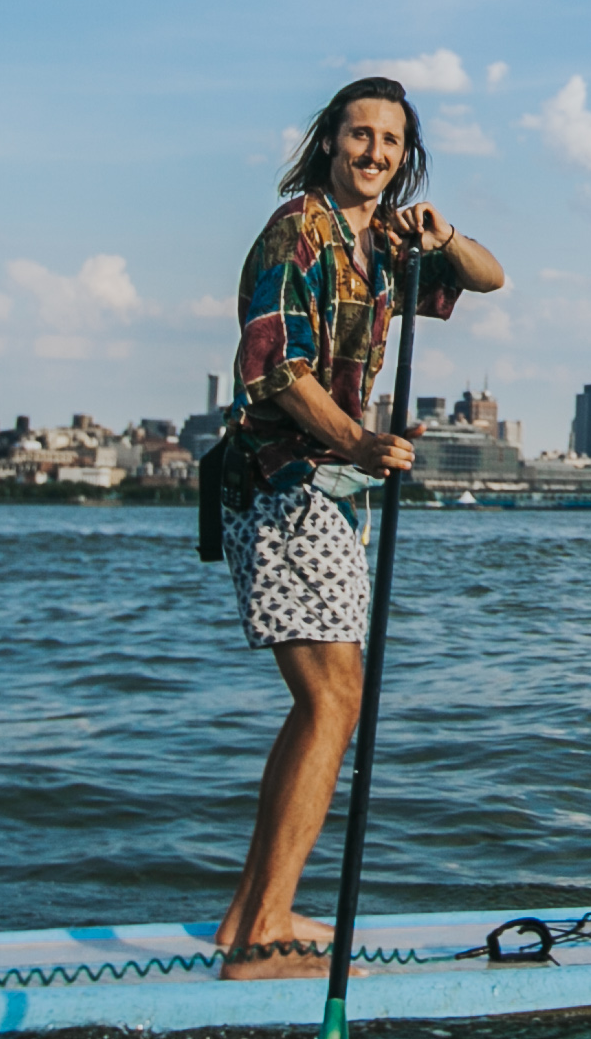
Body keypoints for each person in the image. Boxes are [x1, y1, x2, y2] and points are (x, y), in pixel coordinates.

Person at [213, 74, 506, 975]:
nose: (373, 152)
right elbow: (273, 370)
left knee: (330, 702)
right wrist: (363, 440)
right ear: (330, 141)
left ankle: (250, 916)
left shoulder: (380, 239)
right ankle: (262, 936)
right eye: (358, 135)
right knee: (332, 700)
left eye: (389, 141)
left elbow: (488, 278)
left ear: (403, 154)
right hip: (278, 482)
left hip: (328, 491)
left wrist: (440, 234)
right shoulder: (296, 231)